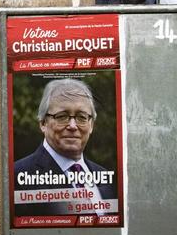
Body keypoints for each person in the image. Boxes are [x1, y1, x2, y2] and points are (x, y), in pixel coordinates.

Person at [13, 79, 117, 218]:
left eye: (81, 117)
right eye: (62, 116)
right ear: (43, 123)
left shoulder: (105, 178)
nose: (73, 126)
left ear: (91, 125)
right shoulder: (17, 176)